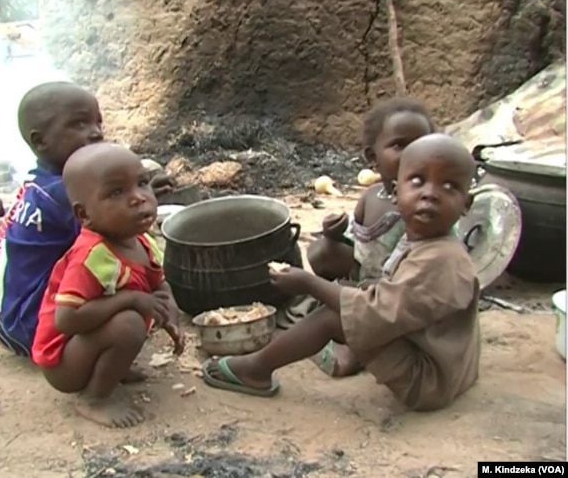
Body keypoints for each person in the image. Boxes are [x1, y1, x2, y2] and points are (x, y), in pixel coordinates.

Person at [202, 133, 480, 412]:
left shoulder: (442, 260)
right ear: (396, 193)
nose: (430, 193)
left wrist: (310, 284)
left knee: (334, 317)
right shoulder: (427, 242)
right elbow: (395, 297)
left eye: (449, 186)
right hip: (444, 364)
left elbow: (374, 313)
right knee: (347, 294)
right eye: (418, 181)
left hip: (429, 380)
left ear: (466, 204)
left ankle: (256, 370)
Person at [0, 81, 173, 362]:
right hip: (25, 329)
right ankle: (89, 372)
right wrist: (144, 195)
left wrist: (139, 189)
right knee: (128, 265)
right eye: (79, 124)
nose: (95, 132)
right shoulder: (64, 196)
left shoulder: (43, 184)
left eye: (97, 123)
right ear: (40, 141)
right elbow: (120, 231)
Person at [32, 143, 185, 428]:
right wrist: (131, 300)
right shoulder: (91, 258)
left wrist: (172, 318)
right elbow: (66, 320)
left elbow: (160, 285)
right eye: (116, 192)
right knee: (129, 323)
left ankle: (113, 369)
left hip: (87, 344)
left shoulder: (140, 240)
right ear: (84, 215)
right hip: (64, 364)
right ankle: (93, 397)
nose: (139, 198)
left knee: (133, 318)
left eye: (142, 183)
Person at [291, 98, 435, 377]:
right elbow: (359, 242)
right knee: (321, 250)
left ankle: (352, 354)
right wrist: (336, 233)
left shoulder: (427, 205)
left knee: (355, 316)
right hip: (366, 279)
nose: (414, 154)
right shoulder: (371, 197)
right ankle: (338, 330)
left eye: (422, 144)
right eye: (400, 145)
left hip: (399, 296)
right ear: (372, 158)